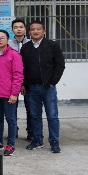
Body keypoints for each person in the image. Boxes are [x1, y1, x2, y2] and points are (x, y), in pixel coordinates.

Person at [20, 20, 66, 154]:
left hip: (48, 88)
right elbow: (21, 68)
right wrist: (23, 84)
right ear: (29, 32)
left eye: (38, 29)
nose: (35, 31)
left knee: (52, 116)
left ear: (44, 31)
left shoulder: (52, 46)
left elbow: (60, 65)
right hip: (31, 88)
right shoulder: (26, 48)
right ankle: (37, 140)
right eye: (32, 29)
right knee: (34, 116)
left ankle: (54, 142)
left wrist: (52, 82)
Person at [0, 30, 24, 156]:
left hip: (8, 93)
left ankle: (11, 144)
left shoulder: (14, 55)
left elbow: (18, 75)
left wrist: (14, 93)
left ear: (8, 39)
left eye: (2, 38)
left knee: (10, 119)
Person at [8, 18, 33, 141]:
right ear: (12, 30)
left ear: (25, 29)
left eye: (21, 27)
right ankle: (14, 130)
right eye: (16, 27)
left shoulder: (31, 43)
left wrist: (24, 83)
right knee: (12, 108)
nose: (18, 29)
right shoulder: (8, 44)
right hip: (12, 81)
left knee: (31, 108)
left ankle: (31, 131)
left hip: (28, 80)